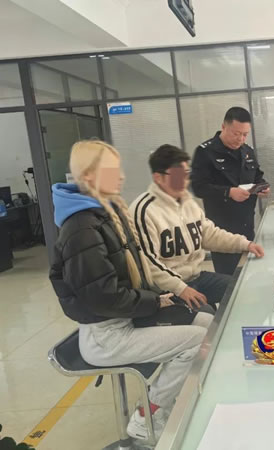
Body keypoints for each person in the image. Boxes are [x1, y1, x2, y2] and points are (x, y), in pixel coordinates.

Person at [49, 140, 209, 441]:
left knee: (207, 323)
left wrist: (161, 298)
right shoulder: (82, 228)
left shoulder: (105, 213)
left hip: (126, 317)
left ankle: (169, 399)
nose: (121, 176)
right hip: (107, 336)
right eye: (113, 170)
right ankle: (147, 416)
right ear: (89, 176)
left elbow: (136, 269)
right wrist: (153, 303)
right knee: (198, 340)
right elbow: (102, 297)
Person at [130, 144, 265, 310]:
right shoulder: (144, 211)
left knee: (244, 290)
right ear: (158, 177)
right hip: (167, 290)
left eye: (186, 174)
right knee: (207, 316)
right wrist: (181, 289)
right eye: (177, 175)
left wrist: (245, 244)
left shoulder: (187, 202)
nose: (184, 181)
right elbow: (148, 262)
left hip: (196, 277)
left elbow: (209, 235)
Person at [191, 107, 270, 275]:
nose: (240, 139)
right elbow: (198, 187)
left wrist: (262, 186)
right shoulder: (205, 152)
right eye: (236, 133)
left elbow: (257, 176)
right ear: (223, 127)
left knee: (250, 275)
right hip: (222, 232)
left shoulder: (247, 151)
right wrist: (228, 192)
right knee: (228, 280)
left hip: (247, 227)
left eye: (245, 134)